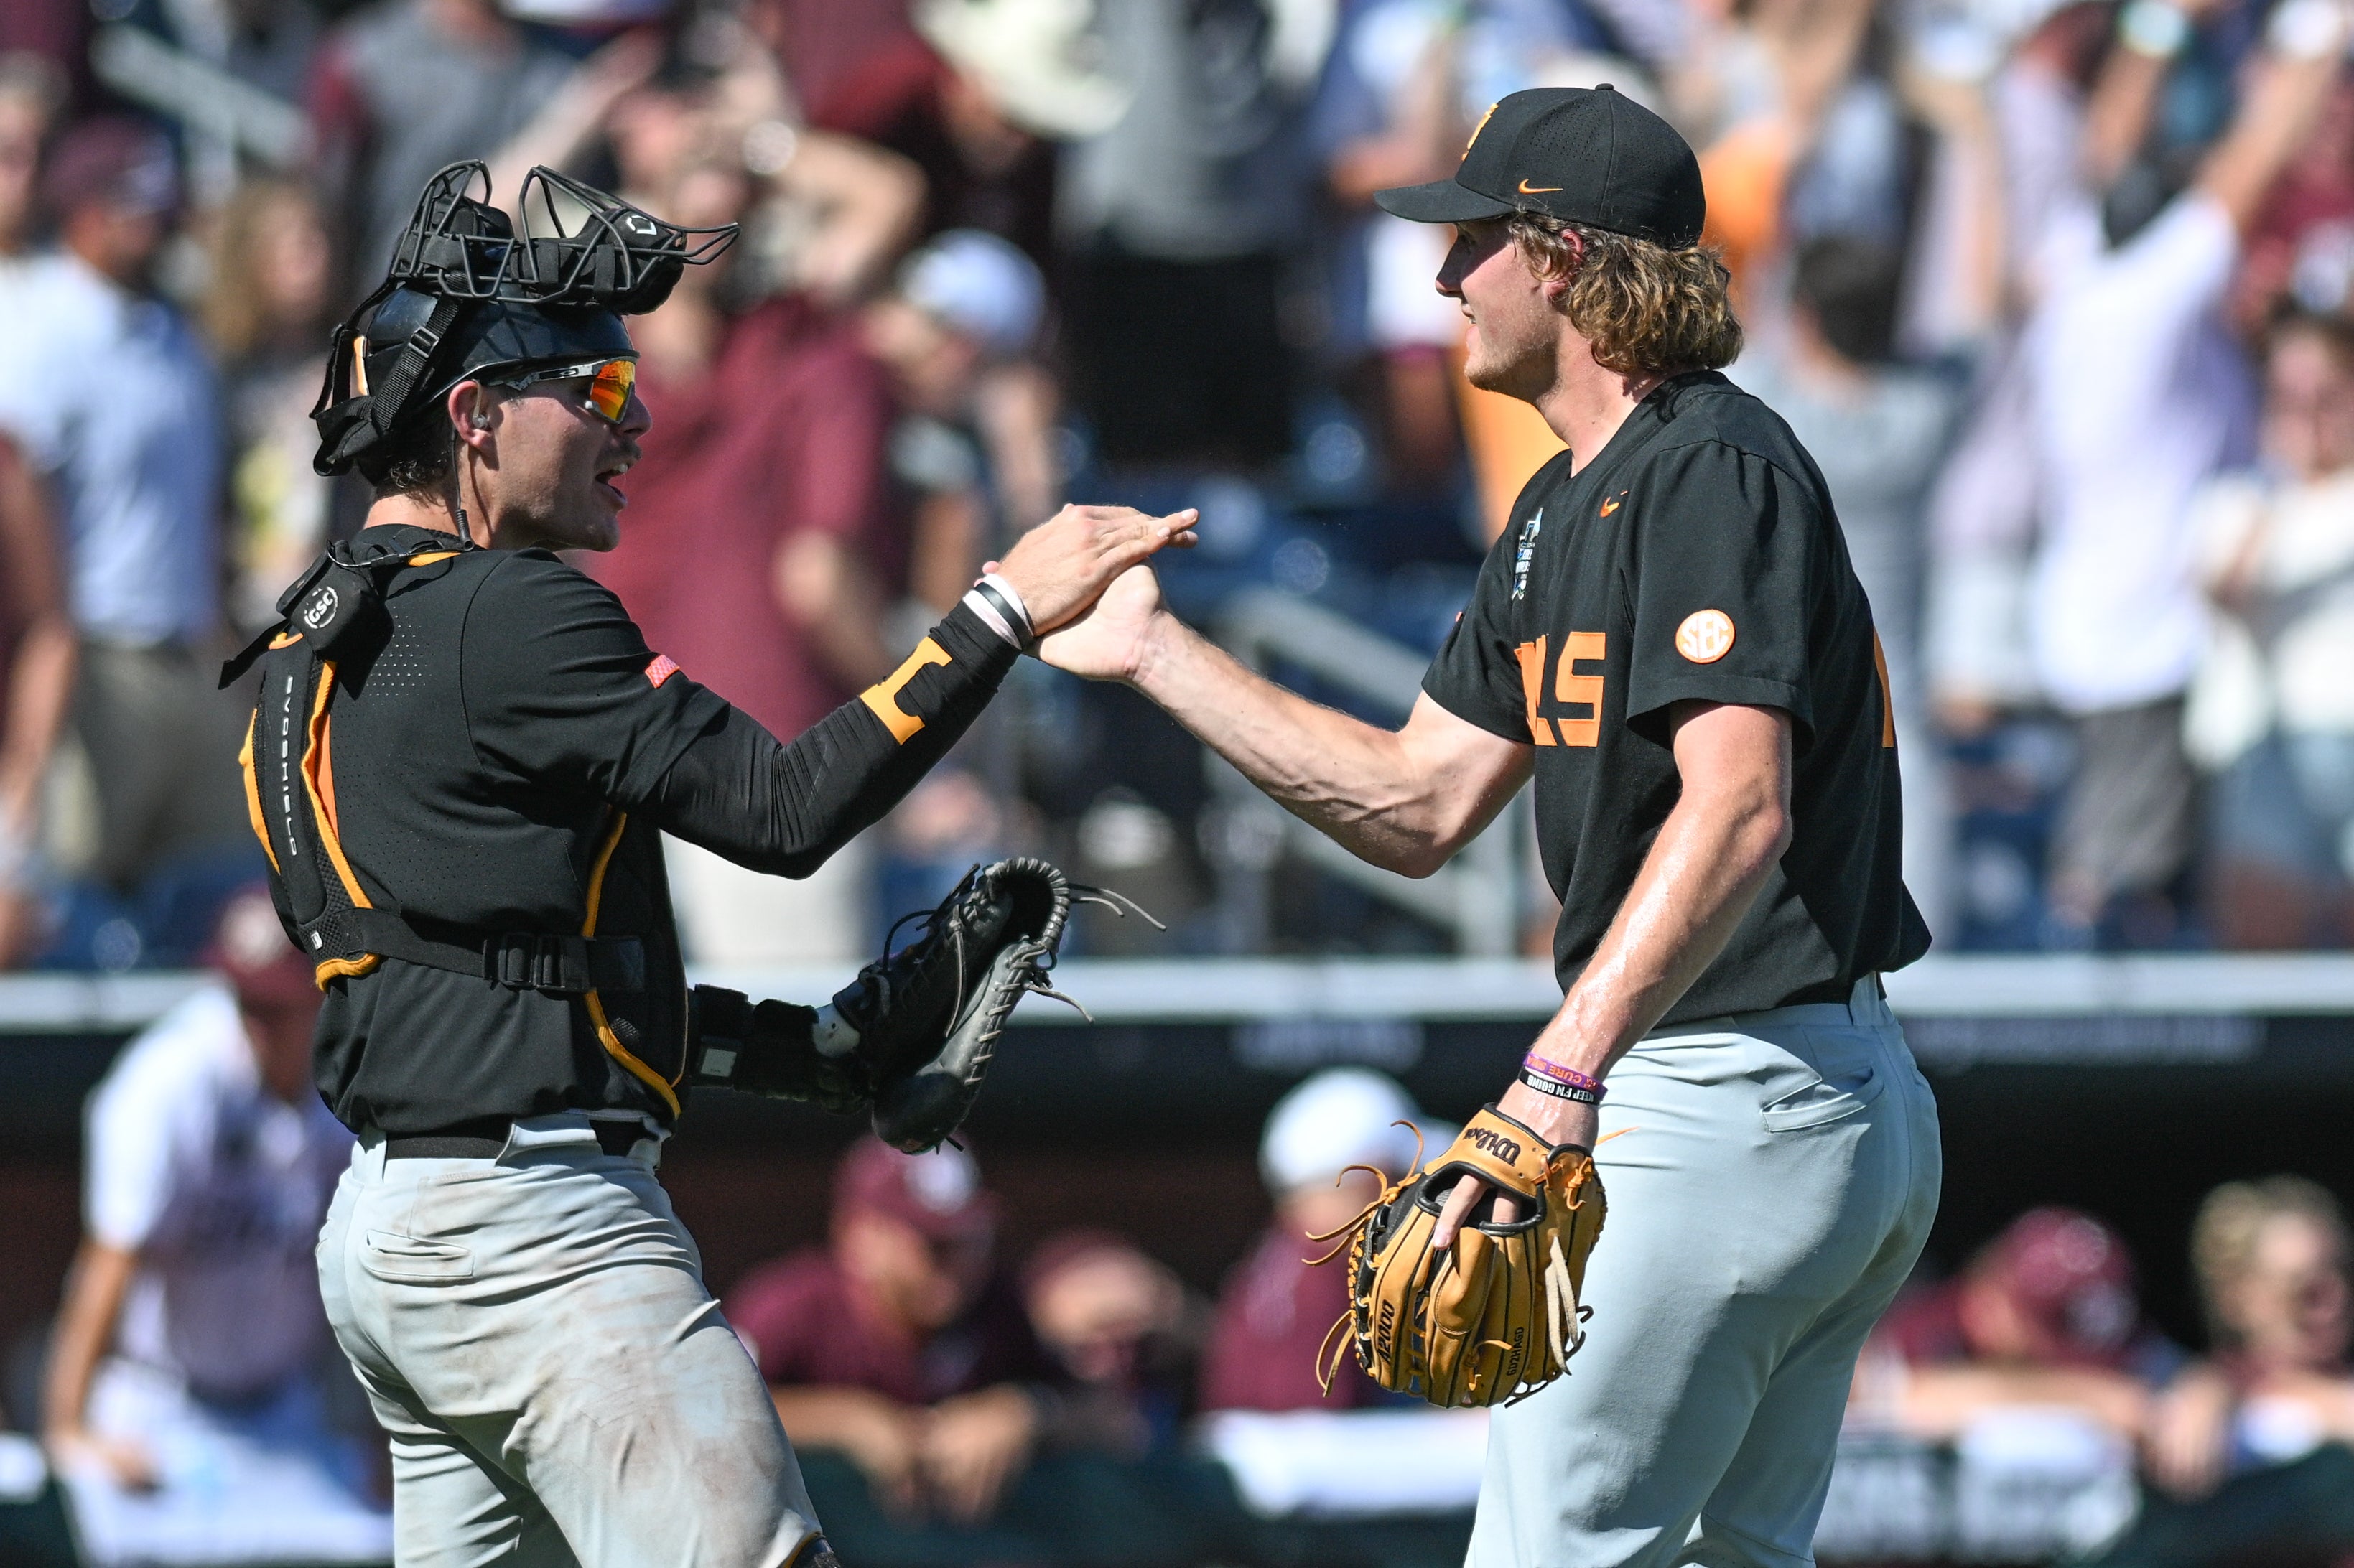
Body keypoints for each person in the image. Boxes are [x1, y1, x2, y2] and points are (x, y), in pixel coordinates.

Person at [1039, 85, 1944, 1566]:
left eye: (1471, 244)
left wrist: (1551, 1081)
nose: (1441, 277)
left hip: (1733, 1080)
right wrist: (1154, 653)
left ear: (1568, 258)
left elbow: (1738, 811)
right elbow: (1414, 802)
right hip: (1779, 1093)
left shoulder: (1704, 463)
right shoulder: (1555, 509)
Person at [256, 161, 1188, 1568]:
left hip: (395, 1232)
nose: (635, 431)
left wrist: (805, 1048)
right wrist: (999, 610)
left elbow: (500, 981)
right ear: (474, 416)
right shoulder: (512, 610)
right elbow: (781, 810)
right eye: (604, 397)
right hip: (539, 1240)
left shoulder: (307, 642)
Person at [2024, 4, 2346, 945]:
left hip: (2105, 623)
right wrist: (2317, 31)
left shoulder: (2077, 265)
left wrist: (2158, 23)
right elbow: (2254, 157)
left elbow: (2109, 144)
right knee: (2111, 891)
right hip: (2137, 643)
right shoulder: (2145, 299)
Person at [40, 887, 386, 1567]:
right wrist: (68, 1429)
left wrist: (380, 1434)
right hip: (163, 1410)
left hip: (290, 1413)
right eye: (246, 1002)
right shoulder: (167, 1082)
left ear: (318, 997)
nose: (258, 1023)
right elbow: (107, 1260)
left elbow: (375, 1274)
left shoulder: (348, 1081)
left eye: (276, 1006)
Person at [0, 117, 251, 962]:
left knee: (224, 903)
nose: (156, 224)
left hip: (190, 655)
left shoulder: (177, 337)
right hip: (90, 664)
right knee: (64, 910)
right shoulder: (33, 328)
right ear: (85, 211)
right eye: (134, 205)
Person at [727, 1139, 1053, 1526]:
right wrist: (844, 1419)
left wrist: (1023, 1410)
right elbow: (707, 1412)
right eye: (933, 1244)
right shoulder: (788, 1308)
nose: (957, 1262)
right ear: (859, 1234)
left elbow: (1111, 1414)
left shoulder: (999, 1306)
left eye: (971, 1238)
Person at [2184, 310, 2354, 948]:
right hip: (2266, 757)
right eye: (2288, 397)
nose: (2309, 416)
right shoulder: (2237, 502)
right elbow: (2225, 591)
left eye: (2327, 396)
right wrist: (2283, 482)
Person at [1201, 1066, 1433, 1414]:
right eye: (1408, 1181)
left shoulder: (1288, 1257)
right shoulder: (1322, 1278)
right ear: (1371, 1183)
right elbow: (1314, 1438)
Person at [1858, 1206, 2172, 1442]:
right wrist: (2088, 1395)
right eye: (2052, 1330)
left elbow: (2161, 1376)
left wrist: (2209, 1388)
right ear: (1993, 1302)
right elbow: (1905, 1401)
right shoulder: (1921, 1324)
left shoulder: (2120, 1338)